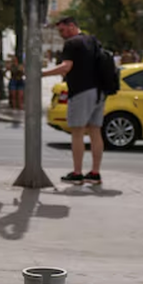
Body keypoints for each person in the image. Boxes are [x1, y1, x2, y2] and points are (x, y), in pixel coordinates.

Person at [41, 16, 103, 186]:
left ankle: (77, 173)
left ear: (72, 26)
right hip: (99, 92)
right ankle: (95, 173)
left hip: (82, 91)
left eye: (62, 30)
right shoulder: (93, 40)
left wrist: (42, 73)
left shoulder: (71, 44)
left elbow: (66, 66)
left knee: (77, 132)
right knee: (95, 131)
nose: (61, 34)